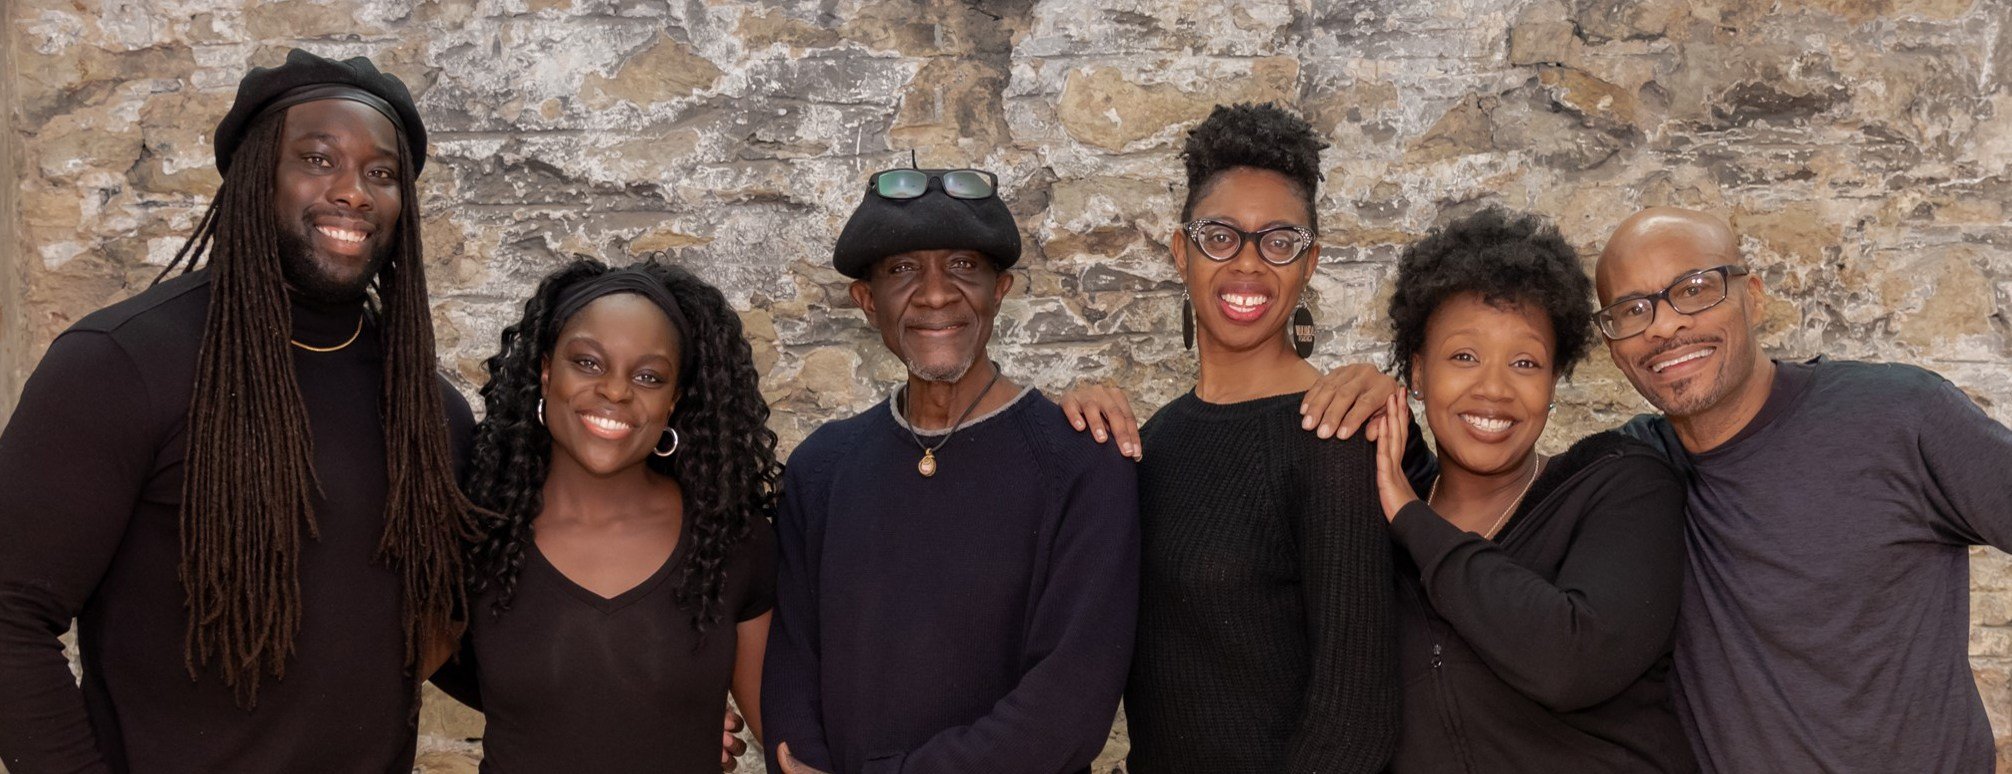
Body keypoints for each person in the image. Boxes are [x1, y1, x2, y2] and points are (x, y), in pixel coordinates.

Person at [0, 50, 475, 772]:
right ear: (258, 177)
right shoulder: (119, 365)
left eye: (381, 174)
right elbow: (9, 617)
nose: (353, 191)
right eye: (318, 159)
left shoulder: (426, 413)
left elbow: (440, 643)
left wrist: (657, 703)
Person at [1597, 207, 2012, 771]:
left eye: (1694, 289)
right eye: (1632, 309)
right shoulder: (1630, 473)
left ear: (1755, 298)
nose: (1664, 325)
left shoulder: (1898, 417)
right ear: (1613, 345)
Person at [760, 165, 1139, 774]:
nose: (936, 294)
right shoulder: (822, 470)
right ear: (866, 301)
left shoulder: (1082, 462)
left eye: (963, 266)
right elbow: (791, 663)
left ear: (1001, 290)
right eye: (902, 270)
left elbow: (1069, 702)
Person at [1112, 103, 1398, 773]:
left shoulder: (1334, 435)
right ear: (1181, 251)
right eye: (1220, 236)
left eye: (1278, 240)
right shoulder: (1155, 442)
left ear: (1310, 262)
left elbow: (1353, 719)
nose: (1247, 264)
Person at [1367, 209, 1692, 771]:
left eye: (1525, 362)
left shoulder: (1620, 484)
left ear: (1552, 382)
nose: (1493, 388)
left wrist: (1411, 518)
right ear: (1417, 372)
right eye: (1463, 357)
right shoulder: (1370, 536)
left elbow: (1571, 662)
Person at [430, 258, 780, 773]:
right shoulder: (480, 534)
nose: (616, 391)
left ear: (674, 401)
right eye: (588, 363)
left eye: (648, 376)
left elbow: (789, 735)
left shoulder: (731, 540)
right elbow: (375, 676)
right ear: (546, 372)